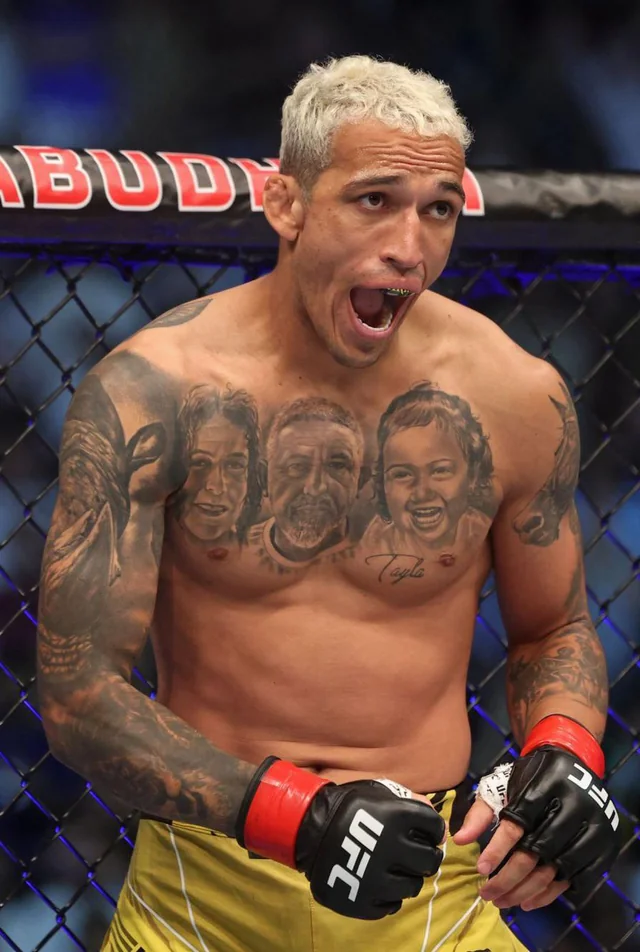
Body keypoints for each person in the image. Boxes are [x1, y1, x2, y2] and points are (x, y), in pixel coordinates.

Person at [37, 56, 618, 952]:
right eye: (374, 200)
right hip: (203, 897)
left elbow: (554, 630)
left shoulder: (512, 396)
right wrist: (297, 816)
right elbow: (80, 695)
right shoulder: (154, 395)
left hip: (435, 894)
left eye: (439, 209)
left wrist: (566, 749)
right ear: (287, 204)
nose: (410, 248)